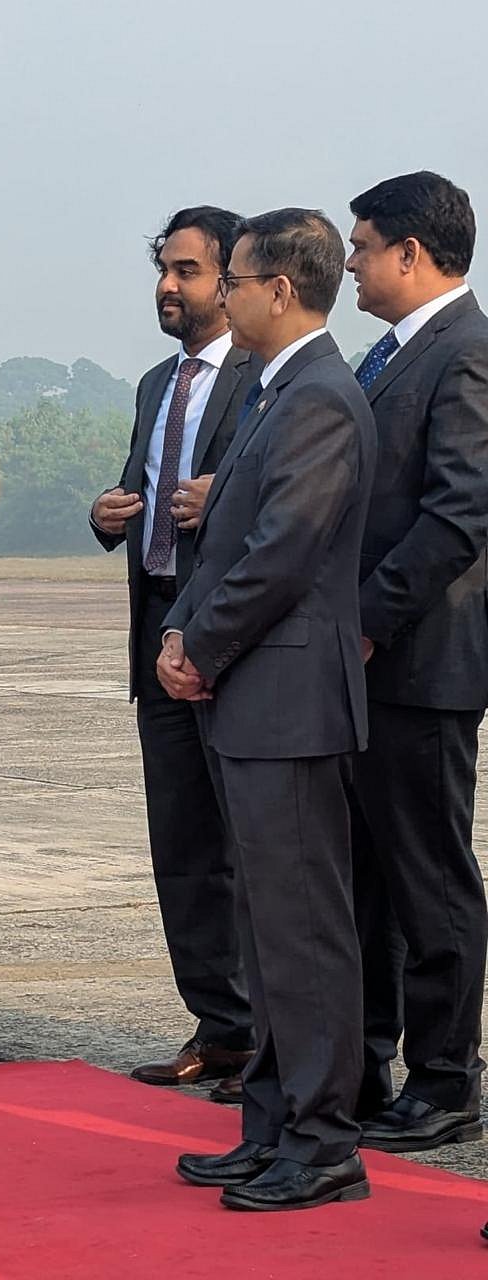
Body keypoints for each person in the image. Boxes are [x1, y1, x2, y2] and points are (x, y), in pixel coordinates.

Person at [165, 209, 376, 1211]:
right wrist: (181, 633)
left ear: (279, 289)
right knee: (265, 926)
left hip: (288, 700)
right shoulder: (275, 390)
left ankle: (324, 1137)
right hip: (252, 697)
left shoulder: (319, 398)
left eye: (235, 281)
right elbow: (224, 543)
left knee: (302, 930)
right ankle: (271, 1124)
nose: (223, 297)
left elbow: (281, 552)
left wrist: (198, 644)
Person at [90, 207, 258, 1100]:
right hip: (157, 630)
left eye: (188, 271)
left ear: (231, 281)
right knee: (183, 847)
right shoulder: (158, 382)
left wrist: (220, 501)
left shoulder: (269, 376)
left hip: (228, 638)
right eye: (164, 269)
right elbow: (141, 488)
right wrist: (108, 514)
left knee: (250, 847)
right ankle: (220, 1027)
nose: (168, 286)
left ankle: (272, 1033)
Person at [343, 171, 488, 1152]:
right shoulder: (387, 354)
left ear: (409, 251)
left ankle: (445, 1078)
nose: (348, 262)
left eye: (360, 245)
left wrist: (365, 617)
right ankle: (364, 1061)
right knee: (370, 874)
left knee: (428, 874)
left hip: (419, 657)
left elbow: (458, 514)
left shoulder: (464, 354)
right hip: (370, 663)